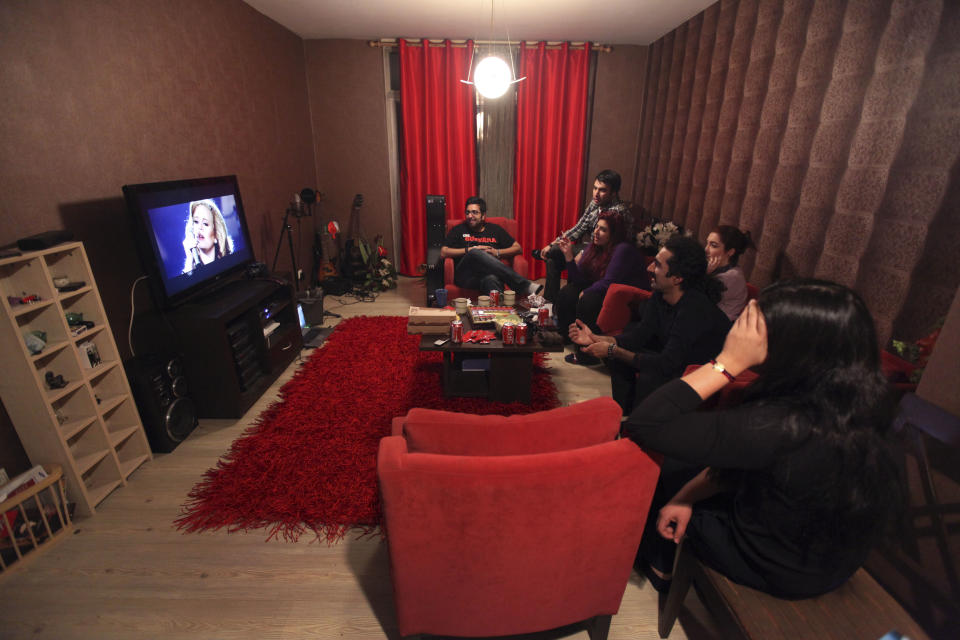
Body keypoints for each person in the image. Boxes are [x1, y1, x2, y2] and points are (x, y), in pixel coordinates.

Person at [625, 280, 904, 599]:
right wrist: (686, 497)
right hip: (830, 556)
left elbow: (646, 424)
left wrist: (726, 363)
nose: (744, 332)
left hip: (781, 568)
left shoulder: (785, 424)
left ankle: (661, 563)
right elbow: (751, 463)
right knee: (686, 468)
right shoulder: (858, 401)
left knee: (661, 467)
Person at [569, 235, 730, 415]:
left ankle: (639, 430)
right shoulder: (661, 295)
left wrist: (612, 350)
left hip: (703, 371)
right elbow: (639, 336)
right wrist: (596, 338)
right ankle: (625, 417)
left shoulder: (694, 308)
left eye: (658, 265)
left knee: (649, 376)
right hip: (676, 359)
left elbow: (667, 364)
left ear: (677, 278)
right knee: (621, 361)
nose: (649, 268)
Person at [555, 211, 648, 365]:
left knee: (588, 299)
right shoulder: (595, 247)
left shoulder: (623, 249)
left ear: (614, 234)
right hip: (607, 290)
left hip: (628, 300)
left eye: (603, 229)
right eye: (596, 227)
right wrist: (569, 257)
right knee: (568, 292)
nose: (596, 232)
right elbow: (579, 280)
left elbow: (609, 282)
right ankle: (565, 336)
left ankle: (586, 354)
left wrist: (586, 291)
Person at [533, 170, 631, 303]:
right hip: (589, 247)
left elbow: (614, 245)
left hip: (604, 253)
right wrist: (552, 243)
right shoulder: (595, 203)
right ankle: (550, 304)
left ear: (613, 193)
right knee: (553, 258)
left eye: (602, 190)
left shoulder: (618, 212)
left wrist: (584, 253)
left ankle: (561, 298)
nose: (596, 193)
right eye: (595, 188)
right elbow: (579, 228)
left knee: (554, 252)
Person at [440, 197, 543, 297]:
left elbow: (518, 248)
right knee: (475, 252)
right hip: (465, 276)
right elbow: (443, 252)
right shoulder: (459, 230)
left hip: (489, 274)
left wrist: (497, 252)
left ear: (483, 215)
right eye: (467, 212)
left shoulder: (495, 230)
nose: (470, 216)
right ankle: (524, 285)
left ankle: (501, 311)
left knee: (492, 279)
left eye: (474, 212)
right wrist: (469, 250)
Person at [705, 225, 755, 321]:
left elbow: (698, 298)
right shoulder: (714, 267)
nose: (706, 249)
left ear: (730, 252)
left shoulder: (731, 277)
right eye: (707, 243)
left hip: (720, 324)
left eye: (713, 245)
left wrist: (705, 273)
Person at [182, 199, 233, 273]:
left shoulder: (230, 263)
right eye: (196, 222)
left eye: (205, 224)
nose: (200, 227)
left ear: (216, 235)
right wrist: (190, 260)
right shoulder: (190, 267)